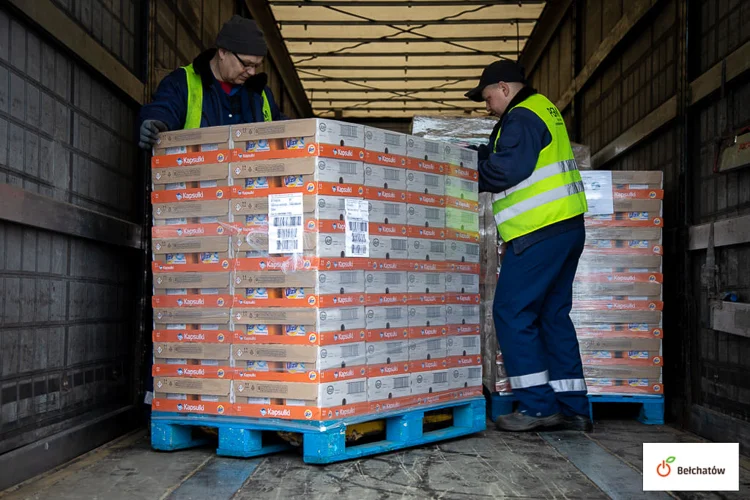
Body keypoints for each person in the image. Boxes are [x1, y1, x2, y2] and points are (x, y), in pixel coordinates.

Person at [465, 60, 592, 432]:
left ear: (504, 88)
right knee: (552, 316)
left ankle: (538, 407)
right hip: (566, 228)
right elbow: (507, 158)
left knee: (511, 312)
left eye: (487, 97)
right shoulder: (543, 109)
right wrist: (477, 154)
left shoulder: (520, 116)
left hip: (540, 230)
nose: (487, 106)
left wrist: (461, 175)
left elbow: (507, 170)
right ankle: (574, 408)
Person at [138, 15, 286, 150]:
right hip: (196, 177)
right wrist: (155, 122)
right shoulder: (183, 82)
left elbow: (286, 129)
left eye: (256, 66)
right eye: (246, 64)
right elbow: (164, 109)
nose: (252, 72)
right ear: (223, 52)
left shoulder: (262, 95)